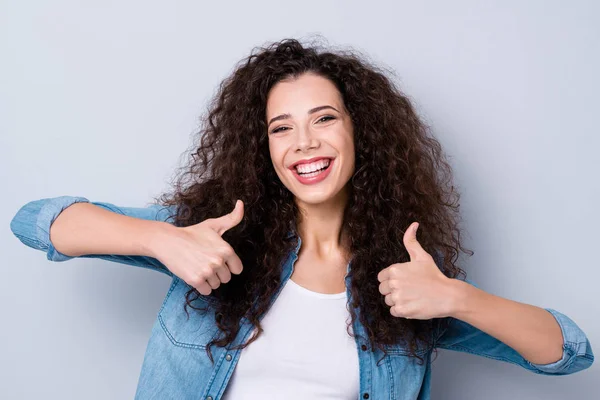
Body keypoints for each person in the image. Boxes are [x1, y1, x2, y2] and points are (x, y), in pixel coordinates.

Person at [9, 38, 594, 400]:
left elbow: (569, 352)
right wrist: (161, 239)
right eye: (281, 128)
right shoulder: (211, 238)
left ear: (359, 131)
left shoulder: (406, 283)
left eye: (324, 119)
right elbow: (37, 221)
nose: (304, 143)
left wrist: (457, 298)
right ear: (263, 148)